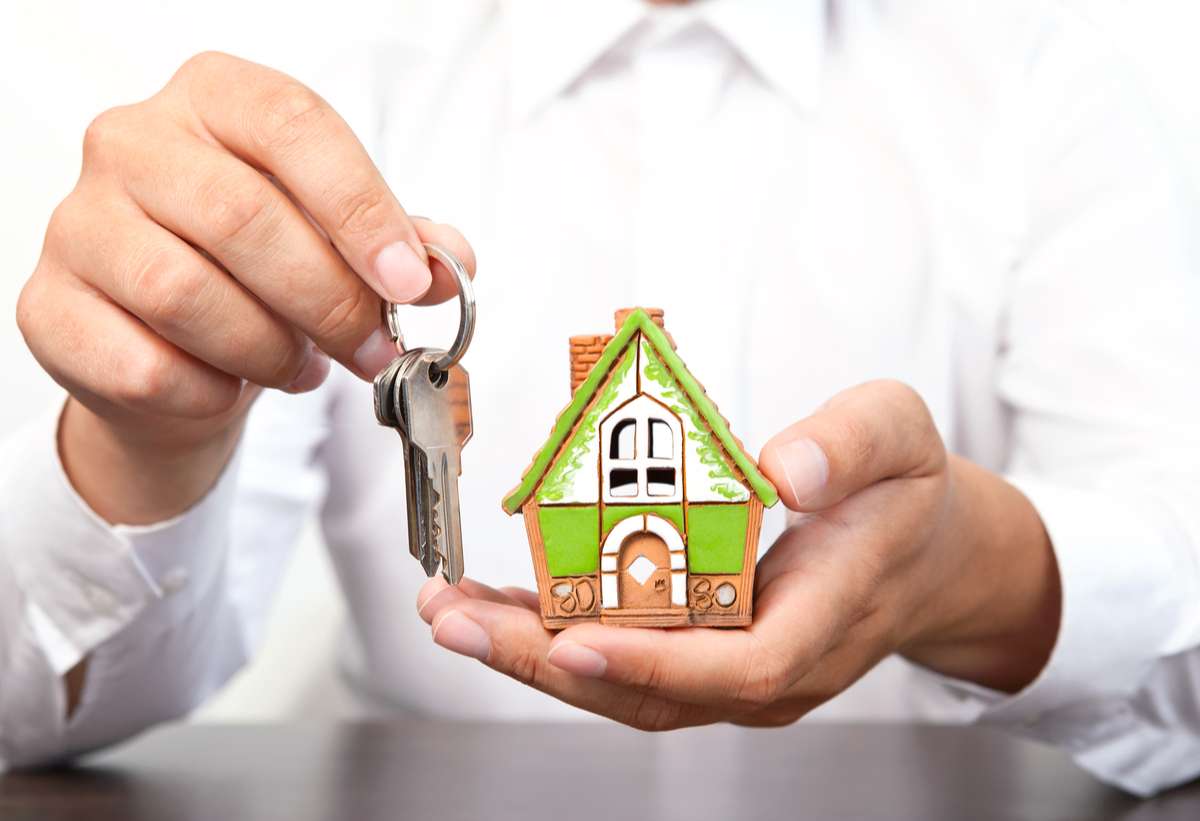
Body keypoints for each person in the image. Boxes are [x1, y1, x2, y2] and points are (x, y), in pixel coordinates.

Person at [3, 0, 1198, 797]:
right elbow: (34, 712)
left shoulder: (1044, 76)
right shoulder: (328, 93)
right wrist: (149, 435)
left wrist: (975, 569)